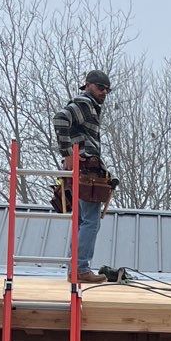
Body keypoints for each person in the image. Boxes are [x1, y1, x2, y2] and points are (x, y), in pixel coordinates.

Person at [53, 68, 118, 283]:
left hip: (82, 170)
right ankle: (81, 268)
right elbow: (60, 119)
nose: (104, 93)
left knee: (81, 221)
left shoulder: (89, 105)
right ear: (88, 85)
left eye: (107, 90)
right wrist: (67, 153)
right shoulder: (84, 103)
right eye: (101, 88)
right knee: (91, 221)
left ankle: (74, 269)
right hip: (85, 170)